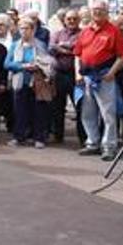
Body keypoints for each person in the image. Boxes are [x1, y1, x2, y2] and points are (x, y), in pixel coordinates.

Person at [74, 0, 123, 162]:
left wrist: (112, 73)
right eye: (95, 10)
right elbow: (77, 54)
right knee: (87, 112)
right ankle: (92, 142)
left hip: (104, 76)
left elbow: (122, 57)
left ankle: (109, 146)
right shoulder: (85, 32)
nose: (97, 12)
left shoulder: (114, 31)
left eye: (101, 10)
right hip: (87, 77)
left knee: (108, 113)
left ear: (107, 13)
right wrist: (78, 73)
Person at [5, 17, 55, 148]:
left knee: (39, 111)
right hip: (20, 81)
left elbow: (48, 63)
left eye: (26, 28)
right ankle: (18, 136)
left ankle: (39, 138)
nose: (23, 31)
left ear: (33, 30)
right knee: (20, 111)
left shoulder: (40, 44)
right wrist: (22, 66)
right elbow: (7, 64)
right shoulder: (15, 45)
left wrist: (38, 66)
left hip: (37, 82)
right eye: (21, 28)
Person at [49, 8, 83, 145]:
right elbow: (51, 48)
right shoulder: (57, 33)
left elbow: (78, 49)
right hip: (59, 74)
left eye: (74, 19)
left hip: (75, 75)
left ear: (79, 20)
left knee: (80, 107)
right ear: (64, 20)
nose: (72, 21)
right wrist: (68, 49)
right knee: (57, 107)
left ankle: (83, 137)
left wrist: (62, 47)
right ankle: (57, 136)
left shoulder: (83, 34)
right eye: (69, 19)